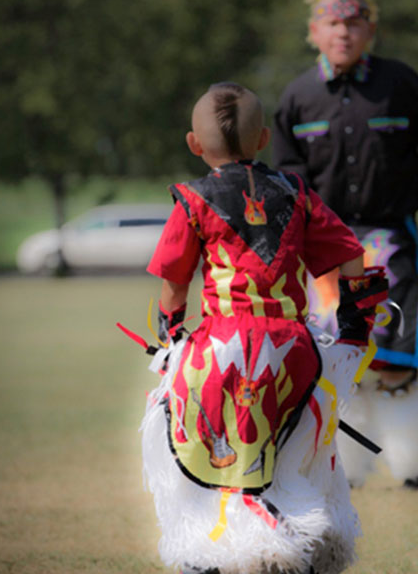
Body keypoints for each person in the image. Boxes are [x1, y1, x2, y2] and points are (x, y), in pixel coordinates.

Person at [137, 82, 387, 574]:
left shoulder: (192, 199)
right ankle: (297, 536)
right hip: (293, 348)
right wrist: (355, 327)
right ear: (263, 139)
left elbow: (173, 284)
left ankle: (222, 552)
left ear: (194, 143)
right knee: (287, 452)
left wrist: (170, 338)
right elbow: (350, 256)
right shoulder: (296, 195)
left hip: (219, 351)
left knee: (218, 457)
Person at [272, 0, 418, 489]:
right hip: (328, 253)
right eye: (331, 24)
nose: (342, 32)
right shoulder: (297, 98)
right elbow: (290, 179)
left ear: (370, 30)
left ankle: (417, 461)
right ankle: (342, 467)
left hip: (393, 244)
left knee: (397, 358)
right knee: (337, 359)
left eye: (353, 23)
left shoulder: (400, 85)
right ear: (314, 31)